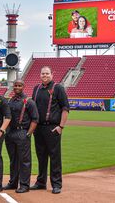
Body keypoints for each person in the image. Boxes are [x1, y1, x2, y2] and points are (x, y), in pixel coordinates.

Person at [30, 66, 69, 194]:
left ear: (52, 74)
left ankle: (56, 184)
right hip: (39, 128)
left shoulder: (58, 88)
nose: (44, 75)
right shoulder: (36, 88)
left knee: (54, 157)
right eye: (42, 73)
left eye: (47, 73)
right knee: (41, 156)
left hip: (52, 127)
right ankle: (41, 182)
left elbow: (65, 108)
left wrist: (61, 126)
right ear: (40, 75)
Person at [4, 80, 38, 193]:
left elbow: (35, 119)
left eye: (19, 85)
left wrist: (28, 134)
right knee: (13, 160)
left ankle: (24, 184)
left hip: (22, 132)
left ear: (23, 87)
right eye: (15, 85)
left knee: (24, 160)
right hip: (10, 133)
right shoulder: (11, 101)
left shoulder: (29, 102)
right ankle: (13, 182)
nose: (17, 87)